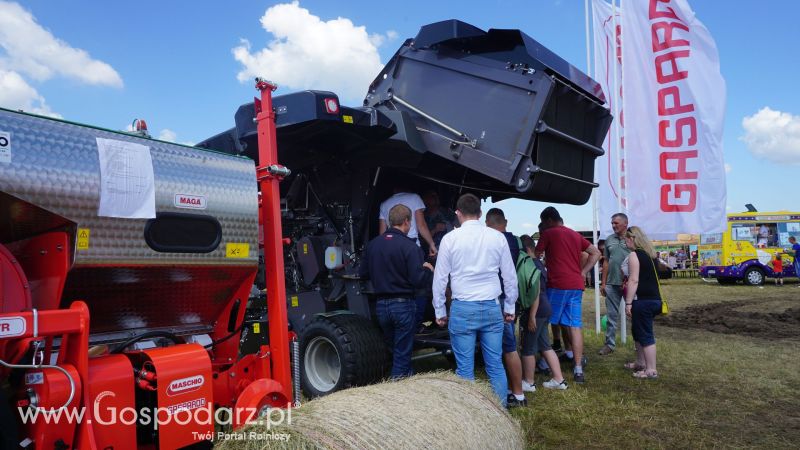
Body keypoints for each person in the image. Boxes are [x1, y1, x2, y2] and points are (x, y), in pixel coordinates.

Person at [432, 194, 517, 407]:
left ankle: (471, 417)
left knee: (464, 369)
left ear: (458, 214)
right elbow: (509, 276)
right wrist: (510, 306)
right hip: (491, 306)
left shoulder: (450, 239)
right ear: (480, 214)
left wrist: (440, 309)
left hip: (463, 307)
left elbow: (440, 278)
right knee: (495, 365)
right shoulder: (498, 237)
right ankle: (501, 414)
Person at [360, 205, 434, 378]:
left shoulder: (373, 245)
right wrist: (428, 270)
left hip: (381, 307)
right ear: (407, 222)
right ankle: (398, 392)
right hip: (403, 305)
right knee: (402, 353)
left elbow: (363, 274)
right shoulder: (410, 247)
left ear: (389, 221)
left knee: (395, 350)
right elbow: (418, 280)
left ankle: (406, 380)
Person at [535, 207, 601, 384]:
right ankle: (578, 368)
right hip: (576, 286)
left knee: (544, 322)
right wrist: (583, 272)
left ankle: (544, 362)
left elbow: (535, 255)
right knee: (574, 325)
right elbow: (596, 253)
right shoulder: (574, 234)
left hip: (557, 285)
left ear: (548, 220)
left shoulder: (548, 233)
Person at [379, 186, 437, 330]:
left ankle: (398, 323)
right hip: (411, 244)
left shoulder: (384, 204)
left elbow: (382, 232)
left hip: (390, 247)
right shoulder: (414, 198)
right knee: (419, 285)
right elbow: (421, 224)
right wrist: (431, 243)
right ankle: (416, 323)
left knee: (397, 282)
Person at [485, 208, 526, 407]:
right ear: (505, 222)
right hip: (508, 299)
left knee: (508, 348)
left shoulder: (496, 240)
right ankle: (515, 391)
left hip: (498, 300)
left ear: (487, 223)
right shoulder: (515, 241)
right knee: (507, 348)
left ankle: (516, 394)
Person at [518, 236, 568, 391]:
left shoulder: (529, 265)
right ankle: (559, 379)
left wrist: (532, 316)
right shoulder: (539, 264)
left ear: (526, 250)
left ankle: (528, 382)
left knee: (528, 347)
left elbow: (535, 293)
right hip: (545, 309)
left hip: (537, 311)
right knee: (545, 345)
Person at [623, 226, 662, 379]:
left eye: (626, 239)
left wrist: (628, 303)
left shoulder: (634, 255)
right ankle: (640, 362)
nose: (625, 242)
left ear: (632, 239)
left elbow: (633, 280)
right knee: (638, 331)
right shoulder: (651, 255)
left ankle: (651, 370)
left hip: (643, 301)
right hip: (654, 299)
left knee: (645, 335)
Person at [598, 213, 631, 356]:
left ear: (625, 223)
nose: (613, 225)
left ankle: (640, 344)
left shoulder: (632, 238)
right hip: (612, 283)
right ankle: (609, 345)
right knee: (611, 316)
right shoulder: (609, 240)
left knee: (635, 315)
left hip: (630, 284)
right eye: (612, 223)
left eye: (616, 223)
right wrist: (603, 282)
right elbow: (606, 261)